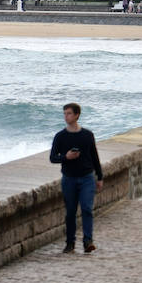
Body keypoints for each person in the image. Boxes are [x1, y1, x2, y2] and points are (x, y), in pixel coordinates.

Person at [49, 102, 103, 253]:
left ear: (77, 115)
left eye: (69, 113)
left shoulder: (87, 135)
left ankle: (88, 241)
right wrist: (66, 157)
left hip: (87, 178)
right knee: (71, 211)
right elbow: (53, 158)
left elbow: (94, 156)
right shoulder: (60, 136)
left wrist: (99, 176)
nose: (66, 116)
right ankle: (70, 243)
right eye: (65, 113)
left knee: (86, 208)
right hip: (69, 178)